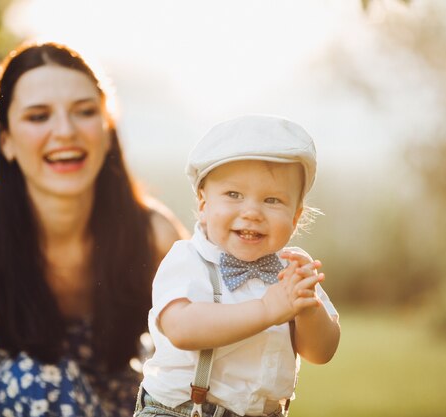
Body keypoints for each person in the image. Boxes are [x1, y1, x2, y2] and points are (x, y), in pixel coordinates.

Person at [0, 41, 188, 417]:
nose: (65, 131)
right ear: (4, 141)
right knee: (33, 382)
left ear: (107, 130)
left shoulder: (155, 236)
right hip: (17, 405)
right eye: (38, 116)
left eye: (84, 112)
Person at [135, 115, 341, 417]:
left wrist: (307, 308)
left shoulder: (292, 270)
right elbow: (182, 327)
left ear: (295, 219)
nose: (252, 212)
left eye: (272, 200)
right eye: (234, 195)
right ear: (204, 206)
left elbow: (321, 353)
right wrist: (267, 310)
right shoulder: (188, 259)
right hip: (182, 410)